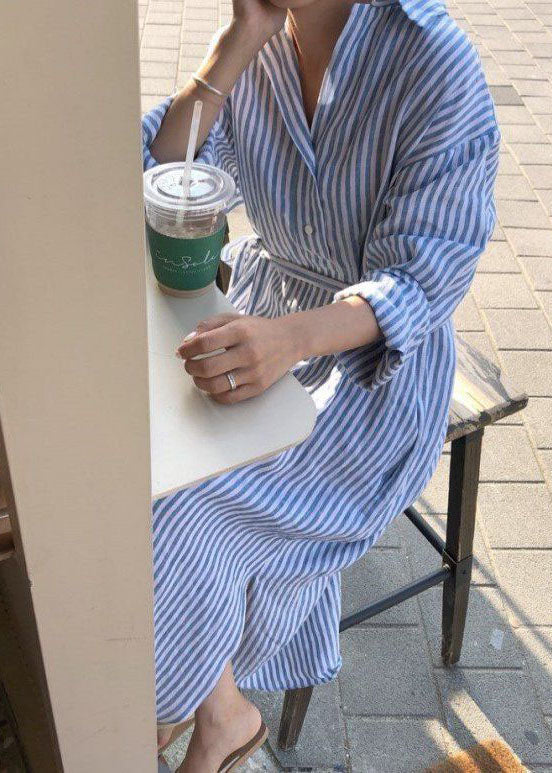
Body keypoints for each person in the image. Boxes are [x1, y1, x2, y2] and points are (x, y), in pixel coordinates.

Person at [143, 0, 500, 769]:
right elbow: (162, 178)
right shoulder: (264, 35)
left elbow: (425, 279)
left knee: (178, 511)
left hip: (375, 376)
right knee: (143, 460)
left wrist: (290, 341)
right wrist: (233, 46)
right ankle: (214, 704)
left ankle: (185, 701)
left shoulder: (432, 59)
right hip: (264, 313)